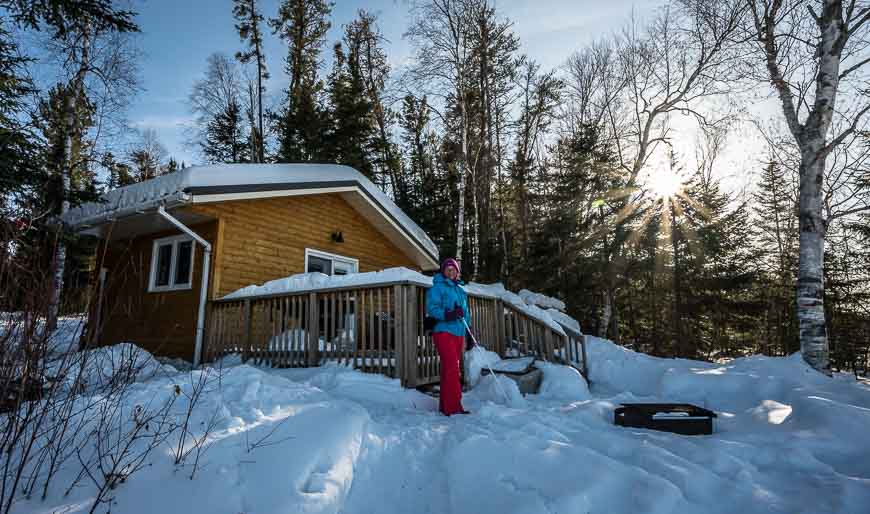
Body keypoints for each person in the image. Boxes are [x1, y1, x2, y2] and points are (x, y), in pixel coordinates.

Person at [426, 258, 471, 416]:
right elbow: (432, 309)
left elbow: (466, 314)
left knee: (449, 369)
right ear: (443, 271)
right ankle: (454, 407)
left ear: (457, 272)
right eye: (448, 269)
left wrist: (469, 332)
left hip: (458, 332)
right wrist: (449, 314)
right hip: (444, 331)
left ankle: (446, 406)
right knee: (453, 368)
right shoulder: (437, 288)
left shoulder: (460, 290)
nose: (451, 272)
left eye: (454, 269)